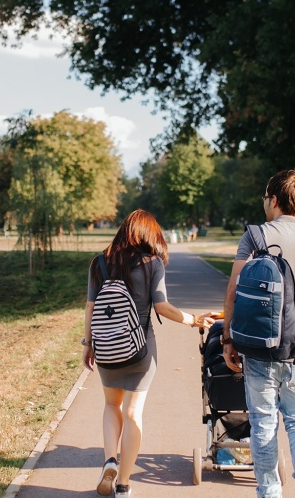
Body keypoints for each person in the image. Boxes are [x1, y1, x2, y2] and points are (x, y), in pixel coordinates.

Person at [82, 209, 216, 497]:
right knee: (133, 413)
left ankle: (109, 460)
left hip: (106, 349)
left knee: (111, 406)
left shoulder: (99, 263)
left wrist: (88, 344)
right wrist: (193, 320)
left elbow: (91, 308)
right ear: (148, 234)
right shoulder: (152, 264)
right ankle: (124, 485)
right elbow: (162, 307)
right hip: (140, 350)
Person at [221, 170, 295, 498]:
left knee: (264, 424)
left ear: (274, 200)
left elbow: (234, 291)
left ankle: (270, 492)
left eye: (265, 197)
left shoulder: (255, 236)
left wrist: (227, 338)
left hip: (259, 350)